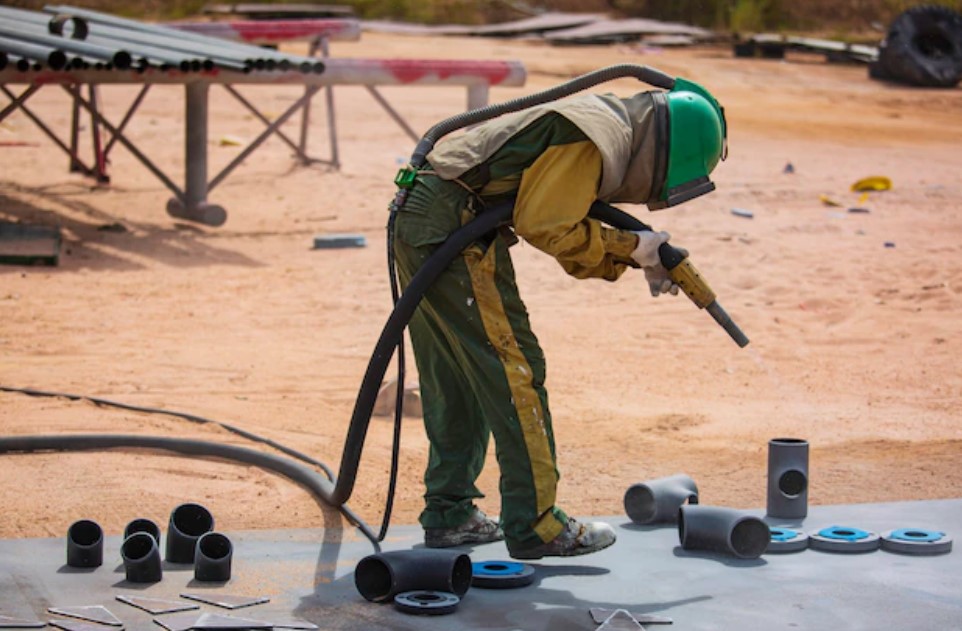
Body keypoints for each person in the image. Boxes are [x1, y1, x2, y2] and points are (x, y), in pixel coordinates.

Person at [391, 77, 727, 559]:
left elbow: (556, 220)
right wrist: (632, 247)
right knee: (516, 371)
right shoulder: (593, 138)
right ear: (662, 154)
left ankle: (451, 515)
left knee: (460, 375)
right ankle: (536, 525)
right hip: (452, 226)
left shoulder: (602, 123)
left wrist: (636, 256)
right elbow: (547, 225)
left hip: (422, 219)